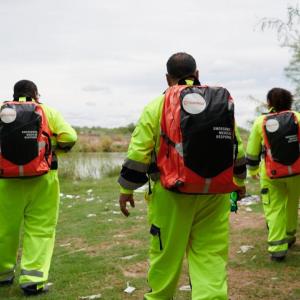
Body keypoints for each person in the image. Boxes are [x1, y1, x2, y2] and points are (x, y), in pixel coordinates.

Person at [118, 52, 246, 300]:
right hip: (214, 193)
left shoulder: (157, 105)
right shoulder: (217, 103)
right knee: (210, 253)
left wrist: (126, 189)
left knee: (166, 254)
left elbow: (139, 151)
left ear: (168, 79)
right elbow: (236, 148)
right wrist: (239, 183)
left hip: (172, 193)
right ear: (197, 74)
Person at [0, 80, 77, 295]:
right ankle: (33, 281)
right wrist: (53, 152)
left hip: (5, 182)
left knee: (4, 229)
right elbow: (70, 136)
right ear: (36, 94)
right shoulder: (47, 112)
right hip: (43, 181)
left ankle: (3, 275)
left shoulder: (2, 111)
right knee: (40, 230)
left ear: (13, 95)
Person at [246, 87, 300, 261]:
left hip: (271, 174)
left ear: (269, 103)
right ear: (289, 102)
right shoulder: (297, 117)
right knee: (292, 203)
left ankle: (278, 249)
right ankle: (290, 236)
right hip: (297, 172)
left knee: (274, 208)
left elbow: (253, 151)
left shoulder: (260, 121)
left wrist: (253, 170)